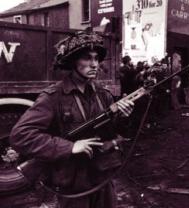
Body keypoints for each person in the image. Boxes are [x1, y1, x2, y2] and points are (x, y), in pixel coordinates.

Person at [10, 31, 134, 208]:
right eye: (87, 58)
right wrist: (70, 147)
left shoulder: (103, 94)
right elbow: (20, 136)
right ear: (73, 61)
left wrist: (123, 117)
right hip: (73, 184)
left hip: (102, 178)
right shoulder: (53, 97)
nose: (94, 64)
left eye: (97, 59)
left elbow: (112, 133)